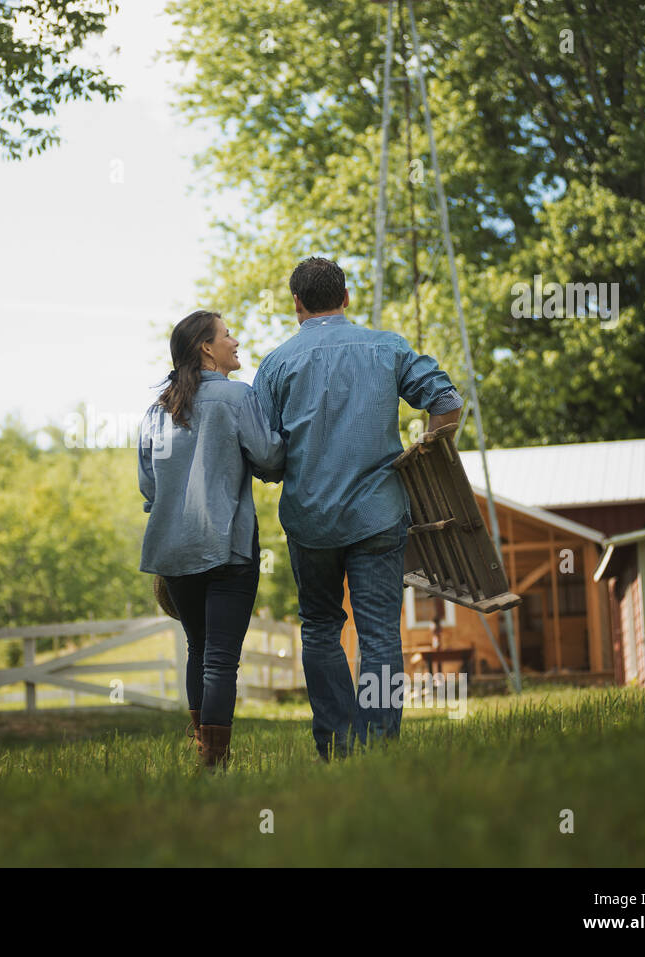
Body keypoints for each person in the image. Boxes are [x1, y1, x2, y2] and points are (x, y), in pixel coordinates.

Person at [253, 257, 462, 761]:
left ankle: (337, 745)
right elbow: (448, 402)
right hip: (379, 514)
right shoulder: (386, 347)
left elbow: (261, 452)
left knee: (321, 627)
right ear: (346, 298)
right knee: (378, 635)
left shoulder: (277, 363)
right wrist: (423, 458)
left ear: (296, 304)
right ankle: (381, 747)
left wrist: (284, 468)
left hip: (310, 519)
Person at [138, 309, 284, 770]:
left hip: (173, 551)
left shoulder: (156, 411)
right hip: (227, 545)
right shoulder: (237, 397)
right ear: (206, 347)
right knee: (220, 659)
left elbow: (149, 486)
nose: (234, 340)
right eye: (227, 334)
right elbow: (270, 458)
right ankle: (214, 762)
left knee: (198, 649)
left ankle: (204, 749)